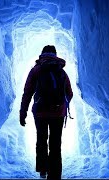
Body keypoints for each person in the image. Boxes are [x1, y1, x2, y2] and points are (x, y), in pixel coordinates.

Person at [19, 45, 73, 180]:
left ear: (42, 54)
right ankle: (55, 175)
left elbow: (27, 92)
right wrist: (61, 105)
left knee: (42, 140)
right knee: (56, 144)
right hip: (58, 113)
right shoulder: (61, 71)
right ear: (55, 54)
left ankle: (43, 170)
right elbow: (69, 93)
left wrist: (23, 111)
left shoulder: (36, 70)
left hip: (40, 113)